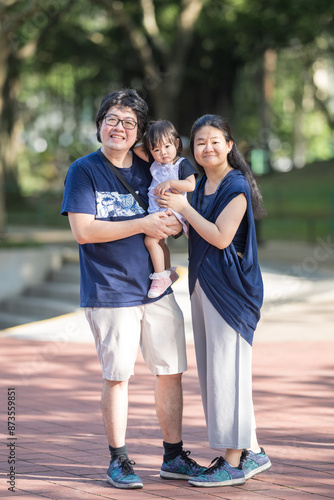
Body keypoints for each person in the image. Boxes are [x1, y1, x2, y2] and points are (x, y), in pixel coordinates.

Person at [60, 89, 205, 490]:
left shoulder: (153, 166)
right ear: (99, 125)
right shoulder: (84, 170)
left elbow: (174, 213)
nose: (118, 127)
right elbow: (84, 231)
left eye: (127, 121)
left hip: (157, 288)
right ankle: (119, 459)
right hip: (110, 290)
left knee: (171, 370)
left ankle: (173, 456)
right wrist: (142, 225)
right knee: (118, 375)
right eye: (111, 118)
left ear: (139, 131)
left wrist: (172, 224)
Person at [158, 114, 271, 487]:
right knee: (215, 373)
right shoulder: (200, 183)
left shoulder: (236, 186)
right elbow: (190, 228)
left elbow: (221, 237)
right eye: (200, 142)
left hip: (231, 291)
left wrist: (185, 209)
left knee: (228, 373)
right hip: (203, 284)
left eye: (214, 141)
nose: (207, 148)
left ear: (229, 145)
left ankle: (233, 461)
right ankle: (252, 450)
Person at [134, 120, 197, 298]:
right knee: (160, 243)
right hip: (157, 211)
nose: (163, 153)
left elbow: (190, 185)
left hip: (171, 211)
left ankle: (160, 277)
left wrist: (170, 182)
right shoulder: (155, 163)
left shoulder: (181, 164)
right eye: (156, 149)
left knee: (151, 242)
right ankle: (169, 272)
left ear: (177, 143)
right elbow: (136, 149)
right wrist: (151, 136)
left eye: (167, 146)